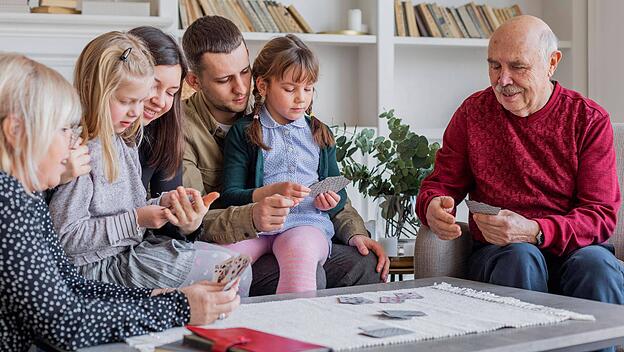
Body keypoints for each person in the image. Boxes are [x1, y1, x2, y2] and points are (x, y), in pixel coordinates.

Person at [0, 53, 239, 352]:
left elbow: (74, 285)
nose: (74, 142)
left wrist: (158, 298)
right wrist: (179, 307)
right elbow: (64, 323)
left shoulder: (25, 196)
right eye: (63, 129)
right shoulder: (8, 205)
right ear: (15, 131)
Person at [416, 16, 624, 310]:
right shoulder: (472, 113)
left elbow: (599, 216)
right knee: (520, 257)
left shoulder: (588, 119)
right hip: (502, 254)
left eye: (517, 66)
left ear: (552, 63)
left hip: (579, 250)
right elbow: (440, 184)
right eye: (494, 66)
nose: (503, 80)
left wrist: (535, 230)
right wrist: (433, 205)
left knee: (597, 268)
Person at [181, 16, 389, 295]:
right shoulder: (183, 131)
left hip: (304, 226)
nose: (242, 88)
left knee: (364, 263)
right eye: (224, 79)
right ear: (195, 81)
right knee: (223, 264)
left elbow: (333, 188)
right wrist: (254, 214)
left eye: (245, 72)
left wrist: (356, 232)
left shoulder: (309, 128)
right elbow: (193, 222)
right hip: (243, 231)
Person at [47, 31, 250, 295]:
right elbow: (66, 239)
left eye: (139, 101)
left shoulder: (124, 139)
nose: (136, 111)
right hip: (96, 268)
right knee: (225, 269)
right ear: (96, 89)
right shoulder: (81, 152)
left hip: (126, 254)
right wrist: (138, 219)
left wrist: (162, 205)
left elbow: (127, 209)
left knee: (237, 268)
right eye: (126, 101)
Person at [217, 34, 345, 293]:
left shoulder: (320, 133)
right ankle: (225, 328)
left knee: (300, 255)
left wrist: (331, 200)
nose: (301, 98)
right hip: (256, 225)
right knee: (222, 264)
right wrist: (268, 194)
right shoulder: (244, 132)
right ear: (263, 86)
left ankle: (292, 330)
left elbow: (340, 194)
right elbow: (229, 194)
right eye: (290, 89)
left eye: (308, 89)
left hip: (307, 223)